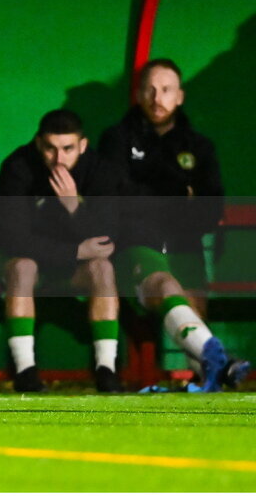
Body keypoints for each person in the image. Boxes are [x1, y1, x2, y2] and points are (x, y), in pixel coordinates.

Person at [99, 58, 249, 391]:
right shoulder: (117, 140)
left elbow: (211, 210)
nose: (157, 97)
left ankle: (211, 377)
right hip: (135, 244)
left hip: (185, 244)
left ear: (179, 96)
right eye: (150, 89)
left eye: (166, 90)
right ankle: (222, 364)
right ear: (138, 94)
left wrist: (152, 199)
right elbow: (115, 200)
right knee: (165, 284)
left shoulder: (199, 147)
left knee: (194, 309)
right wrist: (179, 196)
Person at [0, 109, 122, 393]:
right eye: (50, 148)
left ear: (82, 146)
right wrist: (74, 251)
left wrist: (74, 206)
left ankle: (106, 370)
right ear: (38, 143)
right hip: (27, 265)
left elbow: (106, 238)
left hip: (71, 269)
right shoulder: (17, 167)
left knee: (103, 268)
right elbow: (15, 240)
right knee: (23, 266)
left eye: (67, 149)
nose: (58, 159)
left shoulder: (99, 170)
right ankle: (25, 372)